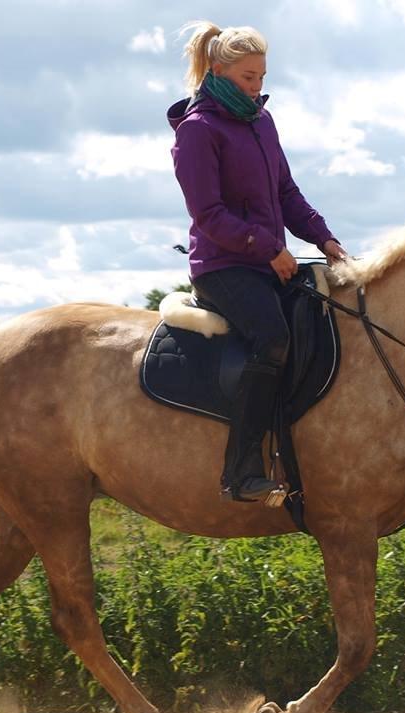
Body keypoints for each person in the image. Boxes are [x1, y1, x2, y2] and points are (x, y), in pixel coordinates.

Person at [168, 21, 347, 504]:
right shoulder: (197, 131)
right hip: (222, 266)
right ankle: (241, 472)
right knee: (273, 338)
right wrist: (267, 248)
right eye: (248, 78)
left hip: (270, 261)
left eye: (262, 78)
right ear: (220, 71)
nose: (257, 87)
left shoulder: (261, 122)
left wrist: (322, 236)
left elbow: (285, 192)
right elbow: (208, 215)